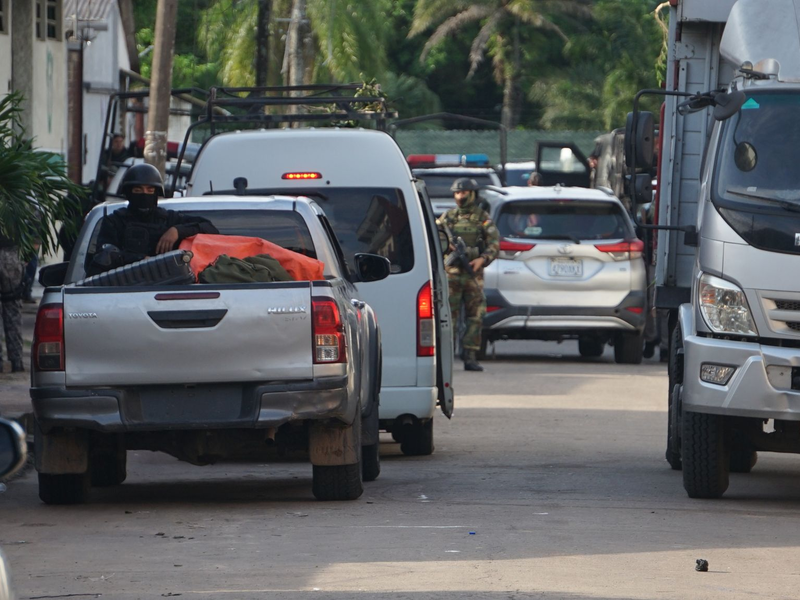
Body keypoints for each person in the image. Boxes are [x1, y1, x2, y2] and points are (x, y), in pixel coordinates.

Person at [87, 163, 218, 276]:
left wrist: (177, 231)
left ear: (156, 193)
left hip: (167, 286)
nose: (144, 194)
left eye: (150, 190)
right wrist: (141, 260)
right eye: (138, 190)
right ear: (128, 192)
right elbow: (105, 254)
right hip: (124, 287)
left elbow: (210, 229)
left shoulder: (169, 219)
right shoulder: (115, 221)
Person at [436, 178, 499, 372]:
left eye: (463, 193)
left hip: (473, 274)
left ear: (472, 194)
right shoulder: (448, 218)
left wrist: (482, 259)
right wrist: (448, 247)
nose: (460, 196)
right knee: (448, 317)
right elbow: (435, 240)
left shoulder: (483, 218)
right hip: (452, 274)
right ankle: (446, 358)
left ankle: (470, 356)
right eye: (457, 193)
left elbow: (494, 244)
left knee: (476, 316)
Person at [0, 230, 25, 372]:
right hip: (11, 255)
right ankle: (16, 361)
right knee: (13, 310)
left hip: (12, 253)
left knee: (12, 308)